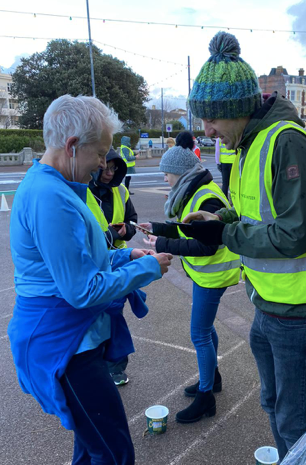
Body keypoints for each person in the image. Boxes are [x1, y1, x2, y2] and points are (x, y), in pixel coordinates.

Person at [181, 31, 306, 461]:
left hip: (298, 314)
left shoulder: (285, 142)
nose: (207, 130)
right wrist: (220, 219)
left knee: (294, 419)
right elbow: (255, 214)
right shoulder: (251, 143)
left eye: (211, 119)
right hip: (268, 302)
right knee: (273, 405)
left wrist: (223, 235)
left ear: (234, 110)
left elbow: (293, 235)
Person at [8, 95, 173, 465]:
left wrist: (126, 255)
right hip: (66, 346)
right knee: (113, 452)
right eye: (100, 153)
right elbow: (82, 289)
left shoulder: (56, 188)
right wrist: (144, 270)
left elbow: (84, 259)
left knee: (93, 447)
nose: (103, 164)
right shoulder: (51, 197)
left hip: (73, 340)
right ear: (71, 147)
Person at [140, 145, 240, 424]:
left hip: (213, 275)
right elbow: (189, 228)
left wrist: (163, 244)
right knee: (205, 330)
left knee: (199, 333)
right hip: (205, 275)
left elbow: (206, 245)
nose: (164, 179)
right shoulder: (196, 190)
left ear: (180, 173)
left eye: (166, 173)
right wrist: (157, 228)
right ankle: (213, 378)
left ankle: (206, 397)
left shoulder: (205, 197)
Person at [88, 147, 138, 386]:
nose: (109, 173)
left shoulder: (121, 190)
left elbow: (132, 220)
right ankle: (95, 365)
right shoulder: (82, 191)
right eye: (106, 167)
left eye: (114, 168)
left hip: (116, 262)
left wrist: (127, 229)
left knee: (114, 315)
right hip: (92, 263)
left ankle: (116, 367)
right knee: (94, 317)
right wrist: (106, 235)